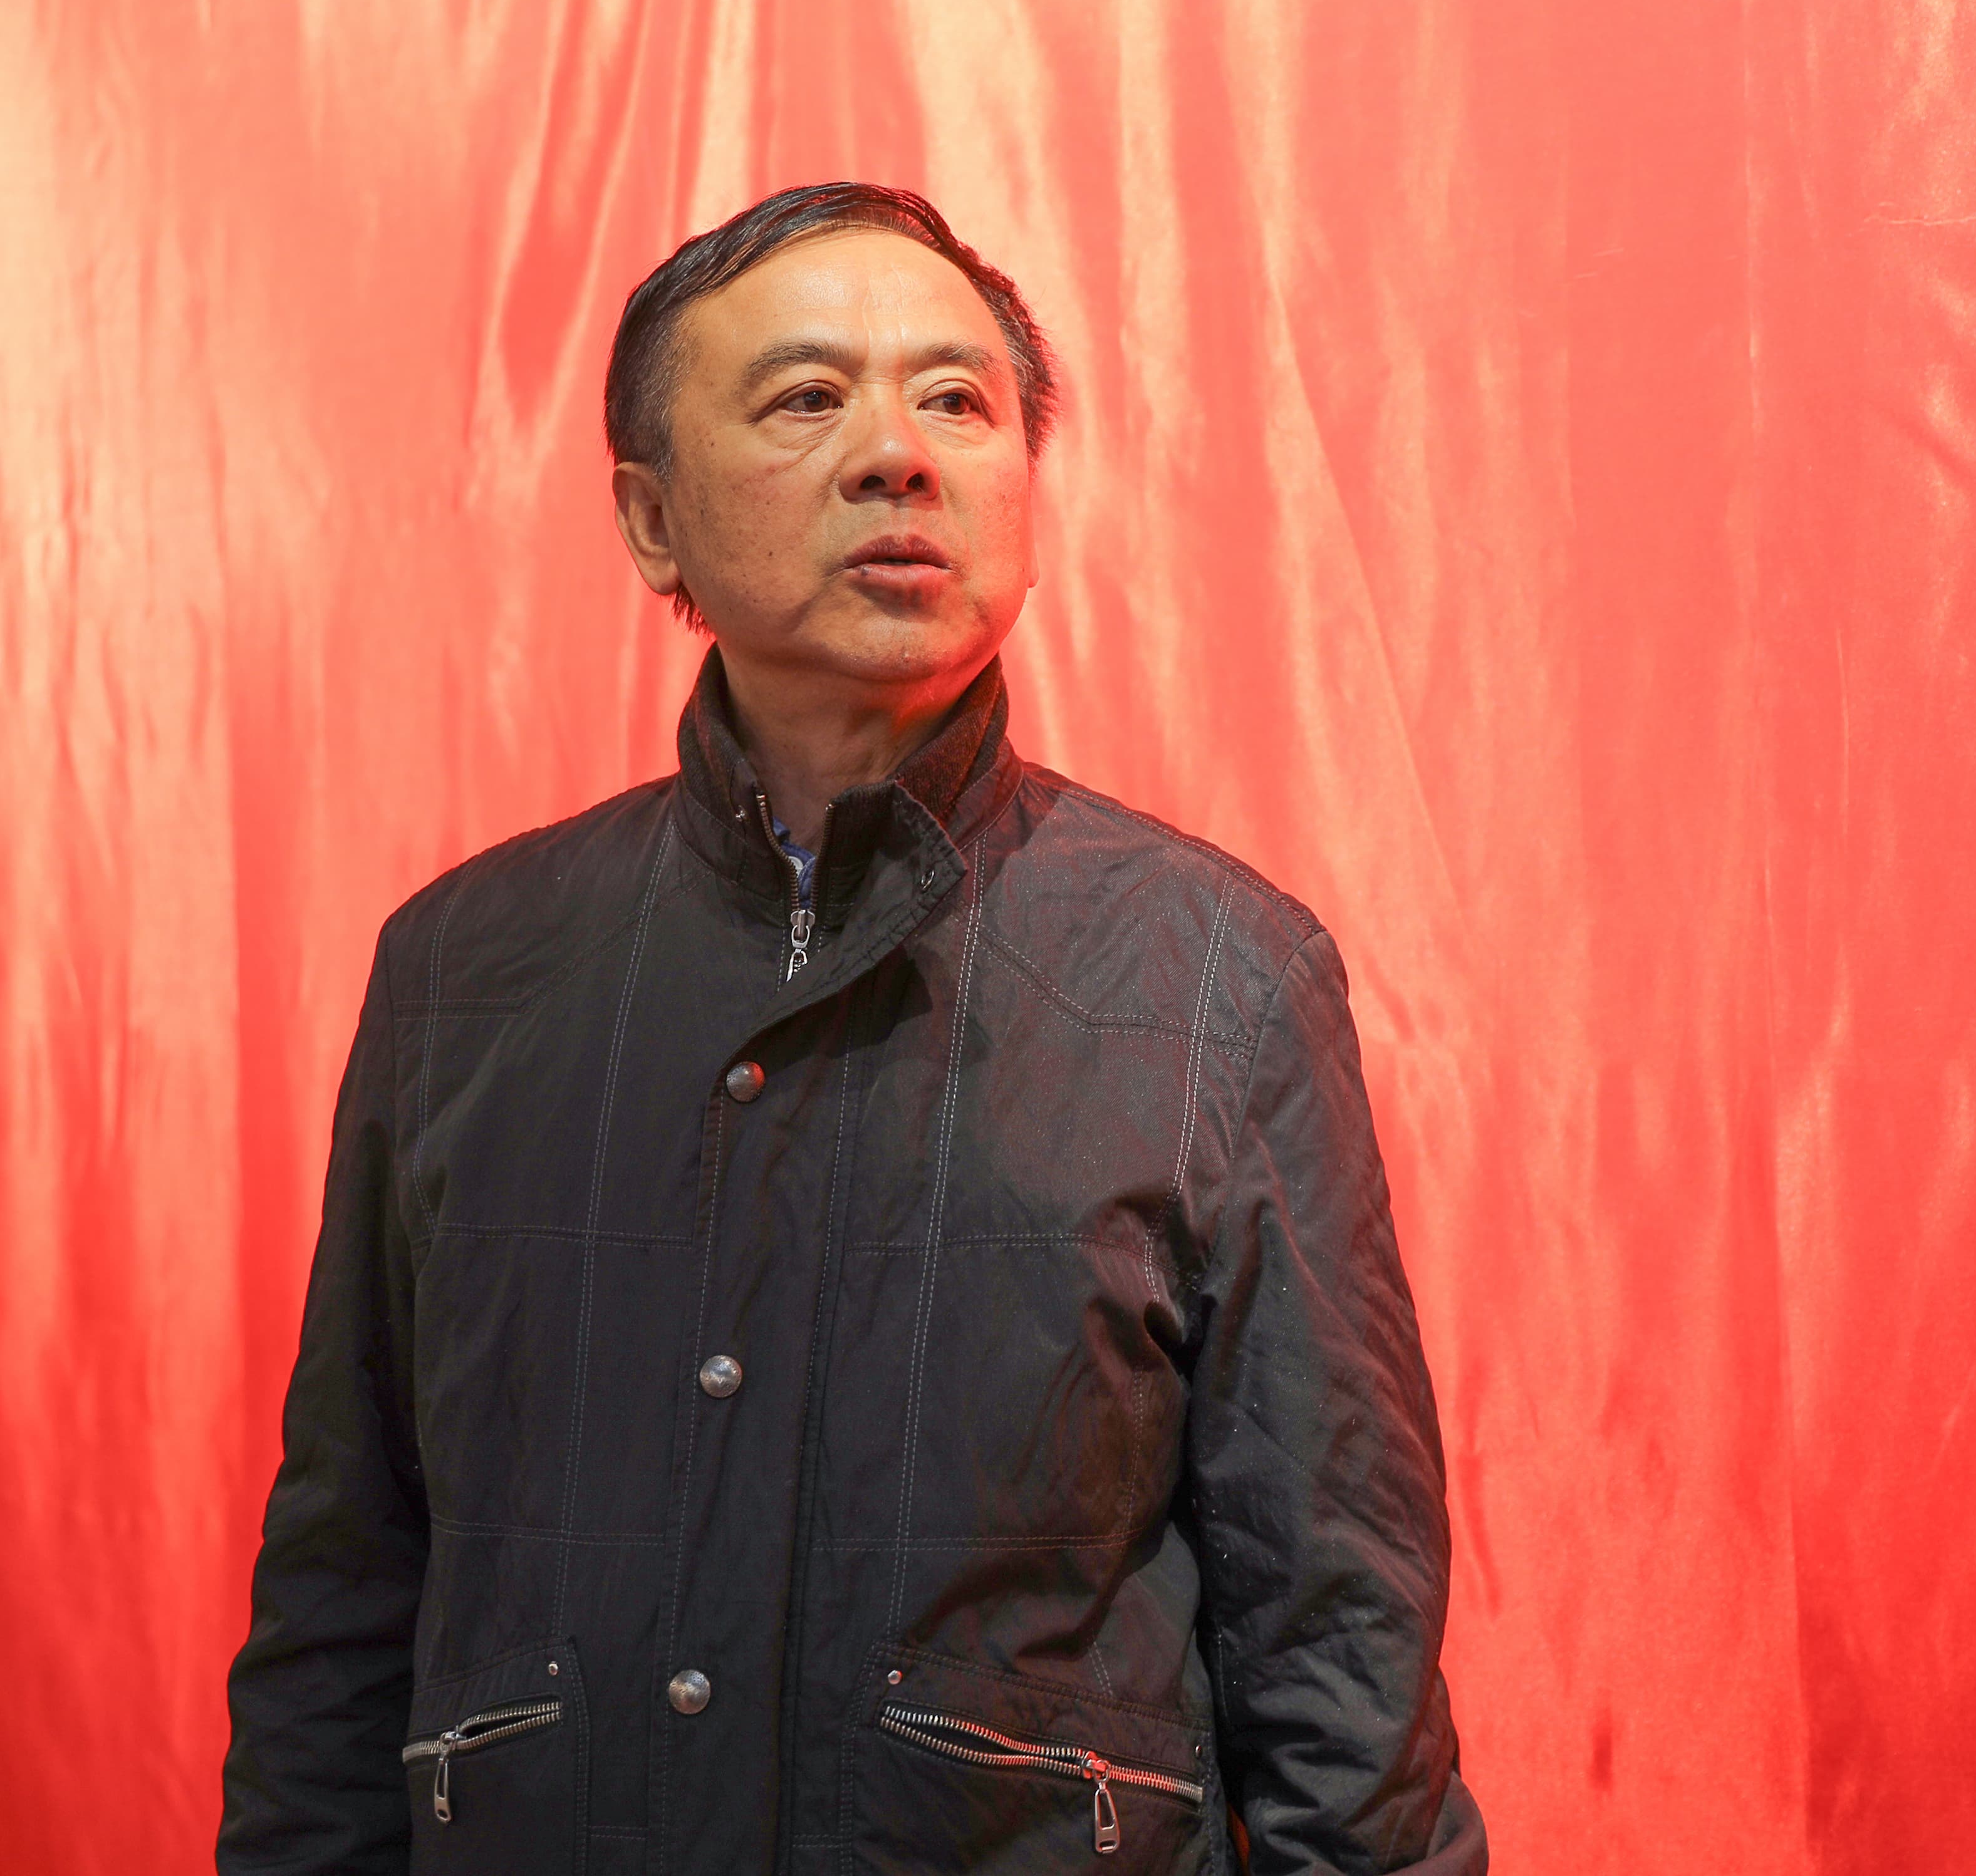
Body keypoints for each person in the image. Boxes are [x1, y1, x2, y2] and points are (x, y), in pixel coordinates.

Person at [219, 181, 1487, 1876]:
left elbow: (1340, 1641)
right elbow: (346, 1589)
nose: (899, 455)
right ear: (652, 520)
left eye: (957, 401)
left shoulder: (1214, 978)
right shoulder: (468, 972)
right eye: (808, 398)